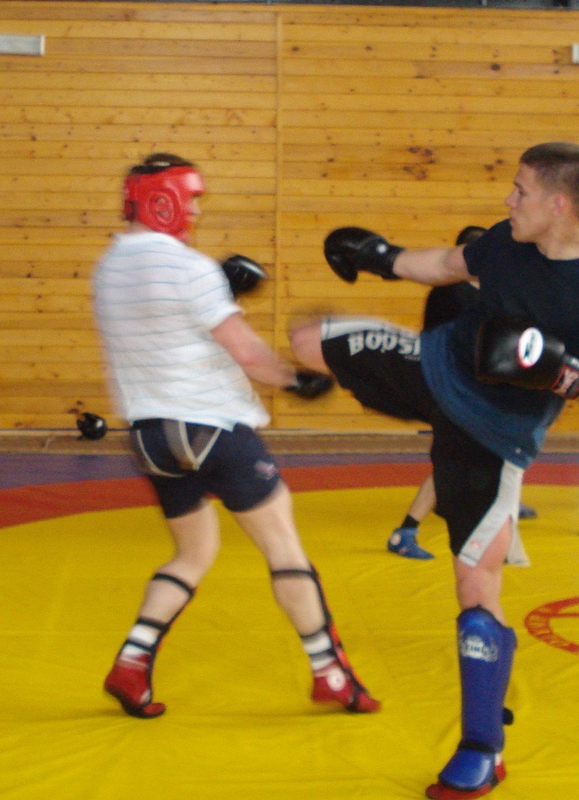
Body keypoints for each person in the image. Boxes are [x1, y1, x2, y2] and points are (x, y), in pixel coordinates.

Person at [288, 142, 579, 798]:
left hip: (493, 433)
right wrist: (380, 257)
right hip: (430, 366)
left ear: (559, 204)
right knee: (309, 339)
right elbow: (446, 263)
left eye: (520, 190)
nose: (507, 200)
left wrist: (562, 377)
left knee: (475, 584)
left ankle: (482, 745)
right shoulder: (509, 241)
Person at [93, 152, 379, 719]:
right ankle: (330, 673)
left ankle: (132, 662)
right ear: (163, 200)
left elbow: (163, 325)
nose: (197, 210)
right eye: (192, 199)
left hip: (150, 435)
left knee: (193, 552)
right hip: (211, 426)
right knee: (284, 548)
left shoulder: (109, 267)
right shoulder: (189, 268)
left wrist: (220, 291)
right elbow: (247, 354)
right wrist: (298, 380)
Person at [388, 226, 536, 562]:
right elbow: (461, 343)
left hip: (469, 387)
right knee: (455, 459)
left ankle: (502, 502)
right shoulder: (453, 293)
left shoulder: (478, 291)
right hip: (453, 388)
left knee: (489, 450)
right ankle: (406, 529)